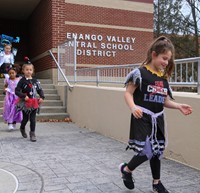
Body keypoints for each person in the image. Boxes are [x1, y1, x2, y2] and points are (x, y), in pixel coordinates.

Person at [119, 36, 192, 193]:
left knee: (157, 152)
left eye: (168, 60)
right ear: (154, 54)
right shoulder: (139, 73)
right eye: (164, 58)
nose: (166, 62)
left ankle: (156, 183)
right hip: (142, 116)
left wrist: (179, 106)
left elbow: (164, 101)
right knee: (147, 150)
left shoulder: (163, 78)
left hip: (158, 118)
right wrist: (132, 107)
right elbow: (128, 93)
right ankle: (127, 170)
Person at [15, 59, 45, 142]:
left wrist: (42, 97)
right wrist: (23, 96)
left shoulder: (35, 81)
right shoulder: (22, 81)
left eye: (30, 70)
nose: (29, 71)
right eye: (27, 70)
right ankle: (22, 128)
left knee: (32, 119)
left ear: (33, 71)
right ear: (23, 70)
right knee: (25, 119)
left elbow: (40, 90)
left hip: (34, 102)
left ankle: (32, 133)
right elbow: (16, 91)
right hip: (25, 103)